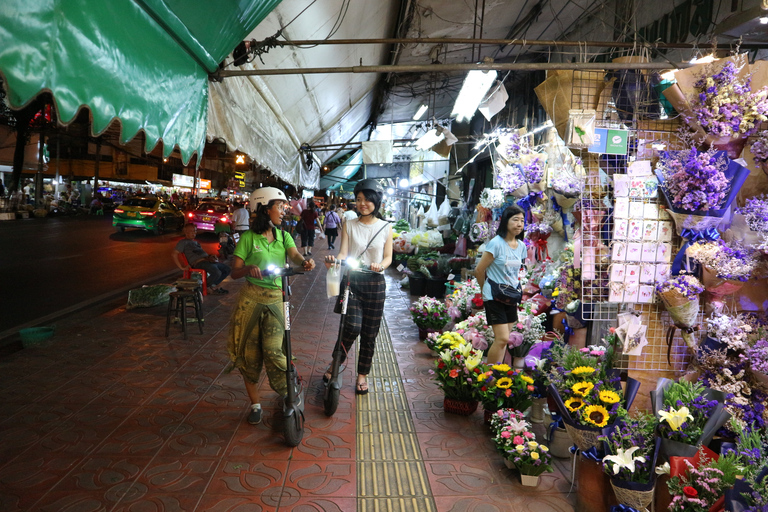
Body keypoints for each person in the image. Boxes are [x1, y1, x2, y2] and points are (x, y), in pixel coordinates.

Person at [228, 187, 315, 425]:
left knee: (274, 349)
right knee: (248, 355)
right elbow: (235, 272)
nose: (284, 211)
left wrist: (305, 262)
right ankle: (255, 404)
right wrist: (247, 269)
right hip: (250, 299)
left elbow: (295, 256)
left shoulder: (283, 236)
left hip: (277, 298)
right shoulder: (247, 238)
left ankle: (289, 386)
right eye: (280, 206)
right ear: (265, 209)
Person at [323, 179, 393, 395]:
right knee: (351, 327)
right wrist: (335, 261)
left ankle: (362, 375)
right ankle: (336, 363)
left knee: (370, 334)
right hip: (352, 282)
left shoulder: (386, 226)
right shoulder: (349, 224)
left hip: (375, 284)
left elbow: (389, 257)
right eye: (359, 199)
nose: (362, 204)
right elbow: (344, 253)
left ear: (376, 201)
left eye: (367, 200)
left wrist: (380, 265)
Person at [474, 205, 527, 364]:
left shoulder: (522, 246)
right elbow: (479, 270)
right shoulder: (496, 243)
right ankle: (488, 376)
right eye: (515, 219)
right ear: (505, 221)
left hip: (510, 296)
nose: (519, 224)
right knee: (502, 338)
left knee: (503, 340)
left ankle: (496, 373)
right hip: (494, 296)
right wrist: (485, 291)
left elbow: (518, 271)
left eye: (522, 221)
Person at [173, 224, 231, 294]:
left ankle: (212, 285)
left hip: (208, 261)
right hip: (199, 263)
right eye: (191, 231)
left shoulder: (196, 242)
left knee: (227, 269)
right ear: (186, 232)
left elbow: (202, 253)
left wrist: (211, 256)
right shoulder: (183, 242)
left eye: (194, 231)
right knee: (217, 272)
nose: (193, 233)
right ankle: (204, 288)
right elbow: (174, 254)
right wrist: (181, 267)